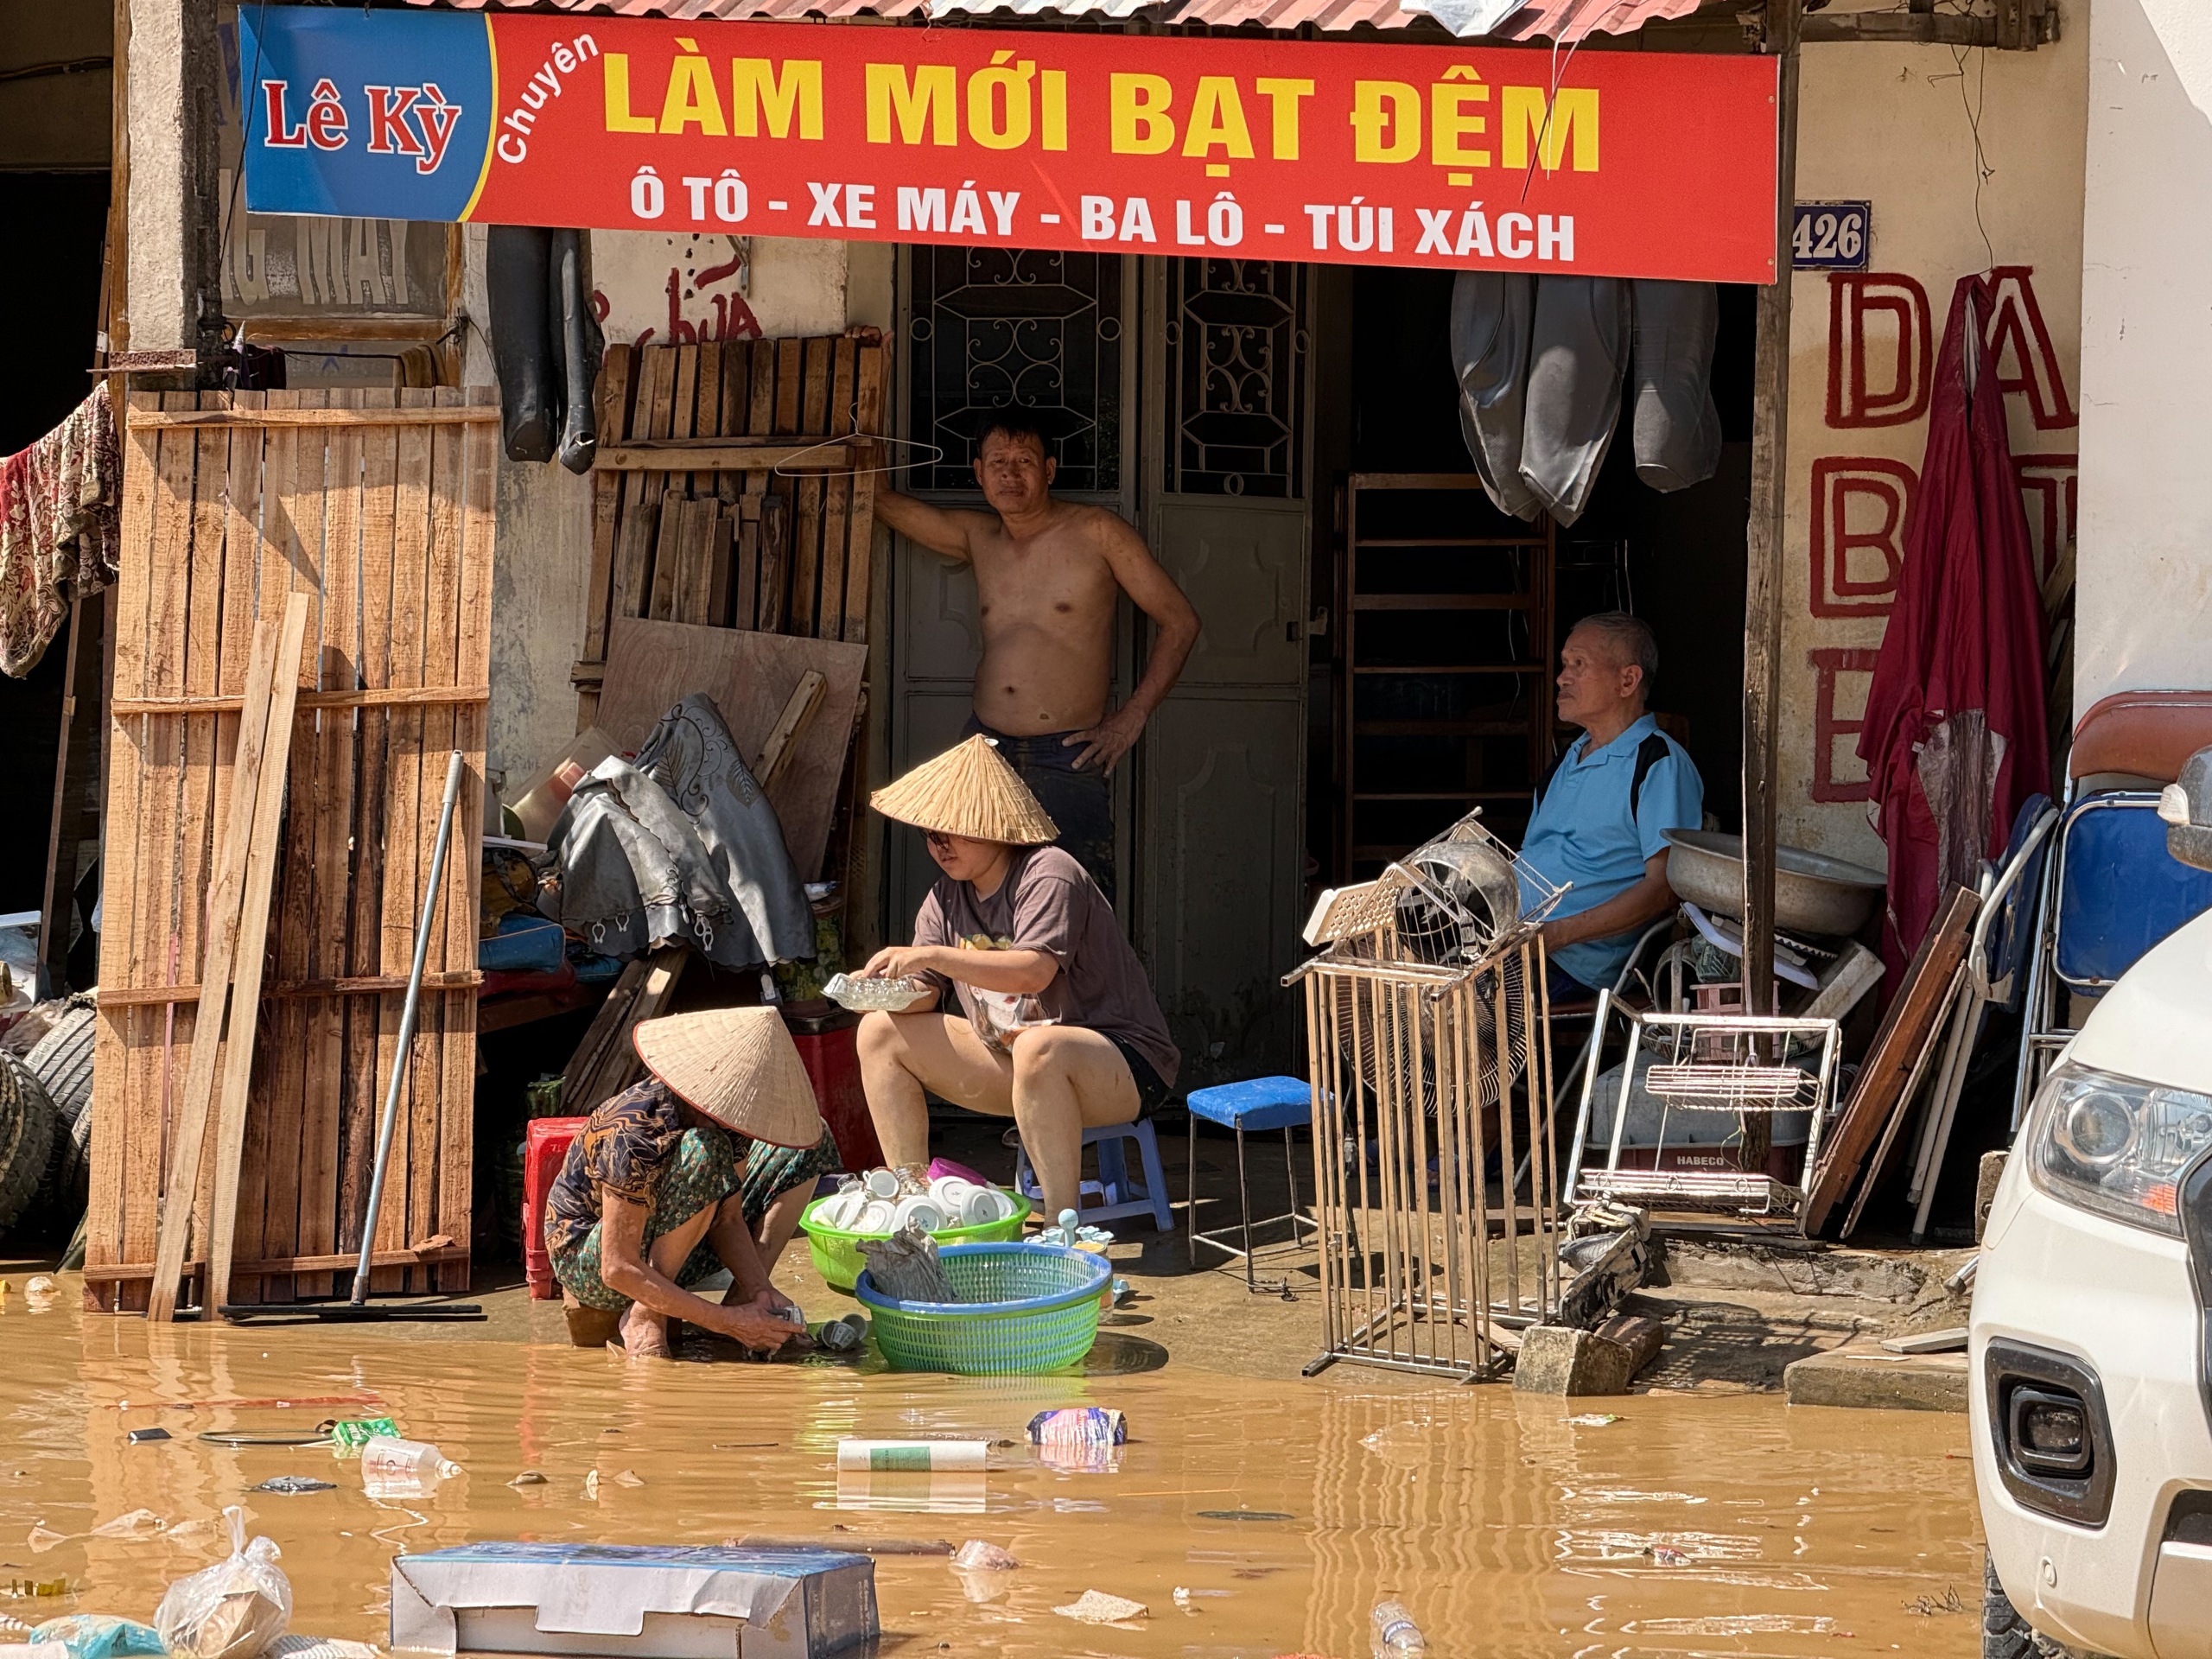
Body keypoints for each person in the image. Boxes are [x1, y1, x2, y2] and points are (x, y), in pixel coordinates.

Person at [875, 408, 1201, 906]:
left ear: (1049, 469)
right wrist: (858, 431)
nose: (1010, 473)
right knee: (977, 897)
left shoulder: (1097, 531)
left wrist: (1131, 718)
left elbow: (1180, 621)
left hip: (1066, 753)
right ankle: (982, 986)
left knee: (1075, 901)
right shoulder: (978, 536)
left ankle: (1074, 988)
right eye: (998, 461)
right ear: (979, 471)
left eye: (1024, 460)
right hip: (984, 749)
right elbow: (880, 501)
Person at [853, 734, 1180, 1220]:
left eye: (950, 831)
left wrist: (937, 957)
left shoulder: (1049, 872)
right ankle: (913, 1202)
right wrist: (880, 990)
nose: (938, 846)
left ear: (991, 826)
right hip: (1011, 1061)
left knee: (1038, 1048)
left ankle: (1059, 1225)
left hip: (1121, 1063)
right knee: (878, 1030)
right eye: (929, 835)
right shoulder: (944, 898)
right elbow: (926, 995)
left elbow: (1033, 970)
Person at [544, 1006, 842, 1358]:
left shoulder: (730, 1121)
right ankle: (646, 1314)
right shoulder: (635, 1130)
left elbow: (727, 1219)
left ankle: (749, 1301)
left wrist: (759, 1288)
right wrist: (725, 1321)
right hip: (593, 1261)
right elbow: (618, 1268)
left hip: (680, 1243)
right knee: (706, 1151)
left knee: (810, 1142)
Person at [1519, 612, 1705, 1001]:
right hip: (1510, 941)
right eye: (1565, 664)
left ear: (1627, 680)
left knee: (1421, 1004)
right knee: (1369, 964)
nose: (1561, 678)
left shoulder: (1657, 763)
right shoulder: (1567, 761)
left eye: (1579, 664)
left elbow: (1663, 889)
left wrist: (1555, 935)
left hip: (1569, 961)